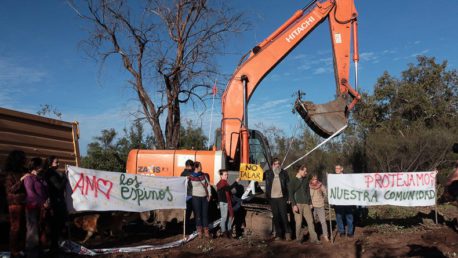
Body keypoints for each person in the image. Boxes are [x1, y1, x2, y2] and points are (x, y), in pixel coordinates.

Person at [4, 150, 28, 258]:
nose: (24, 160)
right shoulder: (9, 174)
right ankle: (13, 251)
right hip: (14, 204)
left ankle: (21, 249)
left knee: (23, 227)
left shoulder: (22, 171)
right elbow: (10, 189)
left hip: (23, 203)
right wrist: (22, 180)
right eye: (23, 158)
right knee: (15, 227)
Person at [24, 157, 49, 258]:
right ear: (35, 166)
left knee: (41, 230)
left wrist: (47, 201)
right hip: (32, 208)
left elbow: (46, 192)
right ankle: (31, 254)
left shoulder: (40, 178)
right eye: (40, 165)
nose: (41, 167)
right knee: (32, 232)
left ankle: (40, 252)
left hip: (42, 208)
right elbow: (30, 194)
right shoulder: (28, 178)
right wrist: (43, 203)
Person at [288, 165, 319, 244]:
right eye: (305, 171)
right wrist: (294, 205)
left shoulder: (305, 180)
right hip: (297, 204)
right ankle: (298, 239)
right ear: (300, 171)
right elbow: (290, 194)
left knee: (310, 221)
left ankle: (314, 239)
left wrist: (310, 203)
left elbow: (308, 192)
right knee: (299, 222)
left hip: (306, 204)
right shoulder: (293, 181)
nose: (306, 173)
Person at [43, 156, 67, 253]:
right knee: (56, 226)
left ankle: (55, 246)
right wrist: (65, 177)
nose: (58, 164)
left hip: (57, 201)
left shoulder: (53, 172)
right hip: (55, 203)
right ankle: (54, 247)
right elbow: (58, 187)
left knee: (57, 226)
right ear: (50, 163)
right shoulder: (50, 173)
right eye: (56, 162)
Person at [264, 158, 291, 241]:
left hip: (282, 198)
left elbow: (288, 185)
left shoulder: (284, 173)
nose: (278, 165)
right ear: (273, 165)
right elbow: (258, 176)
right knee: (276, 217)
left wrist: (289, 197)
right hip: (272, 199)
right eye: (276, 164)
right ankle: (279, 235)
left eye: (279, 163)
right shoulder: (268, 173)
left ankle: (287, 234)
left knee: (284, 216)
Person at [188, 161, 212, 238]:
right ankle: (199, 232)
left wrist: (210, 194)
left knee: (205, 214)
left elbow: (208, 185)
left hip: (204, 197)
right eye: (200, 166)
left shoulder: (204, 175)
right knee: (198, 215)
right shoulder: (190, 177)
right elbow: (186, 186)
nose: (201, 167)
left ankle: (206, 232)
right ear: (196, 167)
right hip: (195, 197)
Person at [216, 169, 240, 238]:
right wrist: (235, 182)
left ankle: (229, 231)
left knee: (230, 217)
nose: (227, 176)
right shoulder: (221, 183)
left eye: (227, 174)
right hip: (224, 203)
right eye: (225, 175)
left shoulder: (224, 182)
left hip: (227, 203)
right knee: (224, 218)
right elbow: (228, 189)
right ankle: (224, 232)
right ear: (221, 176)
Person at [334, 164, 354, 237]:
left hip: (347, 201)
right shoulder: (333, 178)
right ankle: (341, 231)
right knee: (339, 216)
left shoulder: (347, 177)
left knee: (349, 216)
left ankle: (350, 232)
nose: (336, 169)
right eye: (335, 168)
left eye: (338, 168)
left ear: (342, 169)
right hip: (338, 201)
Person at [309, 173, 329, 242]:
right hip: (312, 206)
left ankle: (325, 235)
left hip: (320, 205)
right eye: (314, 179)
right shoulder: (309, 187)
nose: (315, 180)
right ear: (311, 180)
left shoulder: (320, 185)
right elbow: (308, 196)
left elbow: (325, 192)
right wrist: (310, 203)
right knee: (312, 222)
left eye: (316, 179)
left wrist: (323, 198)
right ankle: (314, 236)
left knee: (323, 221)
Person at [180, 159, 194, 234]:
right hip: (188, 195)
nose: (191, 167)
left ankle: (190, 228)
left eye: (191, 166)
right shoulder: (184, 173)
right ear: (187, 166)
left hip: (193, 194)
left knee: (193, 212)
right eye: (190, 166)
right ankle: (186, 229)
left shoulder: (192, 172)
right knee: (188, 213)